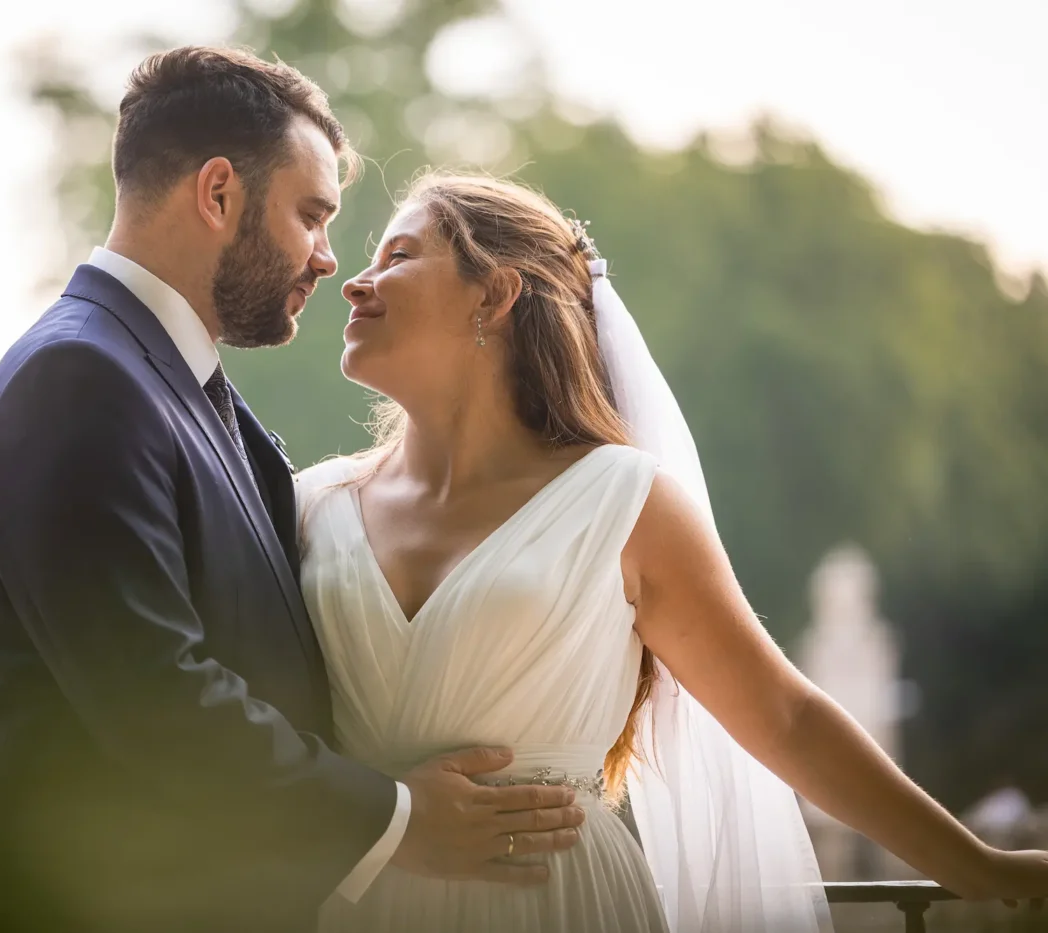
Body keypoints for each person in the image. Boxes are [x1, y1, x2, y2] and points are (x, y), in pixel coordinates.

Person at [0, 49, 584, 933]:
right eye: (312, 216)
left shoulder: (184, 390)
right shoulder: (79, 377)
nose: (326, 260)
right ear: (219, 193)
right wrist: (395, 819)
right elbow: (158, 698)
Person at [298, 173, 1048, 932]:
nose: (354, 283)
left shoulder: (624, 502)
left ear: (493, 296)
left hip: (555, 904)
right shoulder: (309, 505)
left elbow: (785, 716)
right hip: (358, 892)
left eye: (397, 255)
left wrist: (973, 863)